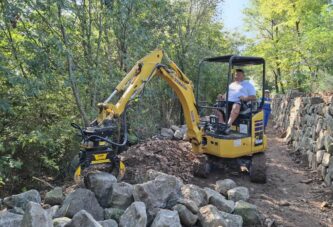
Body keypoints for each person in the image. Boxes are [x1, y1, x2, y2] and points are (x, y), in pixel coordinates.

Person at [215, 69, 256, 133]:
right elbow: (226, 95)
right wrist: (221, 97)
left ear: (243, 76)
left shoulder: (248, 85)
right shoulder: (231, 85)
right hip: (228, 102)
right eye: (235, 75)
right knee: (216, 106)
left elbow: (253, 97)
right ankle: (221, 124)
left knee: (235, 106)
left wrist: (245, 98)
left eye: (238, 75)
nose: (236, 76)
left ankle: (228, 125)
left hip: (241, 103)